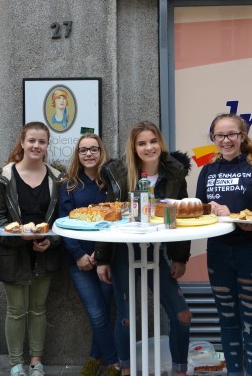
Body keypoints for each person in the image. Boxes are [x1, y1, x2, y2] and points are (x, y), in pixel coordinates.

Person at [95, 121, 192, 376]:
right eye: (142, 143)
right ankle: (126, 370)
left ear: (160, 142)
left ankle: (179, 370)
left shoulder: (175, 172)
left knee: (182, 315)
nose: (149, 147)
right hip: (123, 253)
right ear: (134, 147)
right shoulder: (118, 173)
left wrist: (180, 257)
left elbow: (179, 218)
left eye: (153, 141)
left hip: (157, 252)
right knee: (126, 318)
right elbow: (109, 215)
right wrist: (102, 258)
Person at [195, 113, 252, 376]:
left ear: (242, 136)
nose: (226, 140)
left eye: (232, 135)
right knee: (227, 323)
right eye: (220, 136)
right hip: (218, 252)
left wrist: (236, 215)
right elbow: (200, 211)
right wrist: (207, 212)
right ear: (213, 138)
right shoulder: (207, 170)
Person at [0, 122, 64, 376]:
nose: (36, 146)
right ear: (22, 142)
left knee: (38, 309)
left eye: (41, 142)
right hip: (13, 252)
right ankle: (16, 364)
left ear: (47, 145)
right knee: (16, 311)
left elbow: (63, 220)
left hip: (44, 252)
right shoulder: (4, 178)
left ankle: (36, 362)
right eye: (31, 140)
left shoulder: (56, 178)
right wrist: (20, 235)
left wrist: (49, 241)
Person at [59, 133, 121, 376]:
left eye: (93, 149)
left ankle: (94, 359)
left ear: (101, 151)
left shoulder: (113, 184)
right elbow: (62, 223)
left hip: (108, 259)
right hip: (80, 262)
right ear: (78, 154)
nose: (88, 154)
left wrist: (101, 254)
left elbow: (119, 217)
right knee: (96, 312)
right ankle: (116, 362)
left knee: (104, 312)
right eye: (83, 150)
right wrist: (78, 255)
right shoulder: (70, 185)